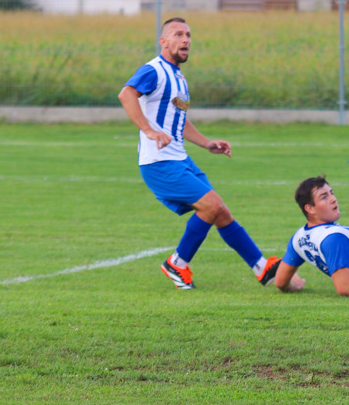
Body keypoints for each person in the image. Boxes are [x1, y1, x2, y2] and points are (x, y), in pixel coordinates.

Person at [119, 17, 302, 290]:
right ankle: (177, 264)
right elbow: (126, 94)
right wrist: (148, 130)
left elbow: (178, 119)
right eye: (178, 34)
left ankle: (261, 267)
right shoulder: (153, 70)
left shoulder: (178, 77)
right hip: (159, 162)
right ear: (163, 41)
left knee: (221, 213)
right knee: (212, 206)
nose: (185, 40)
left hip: (180, 158)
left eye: (188, 35)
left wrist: (206, 143)